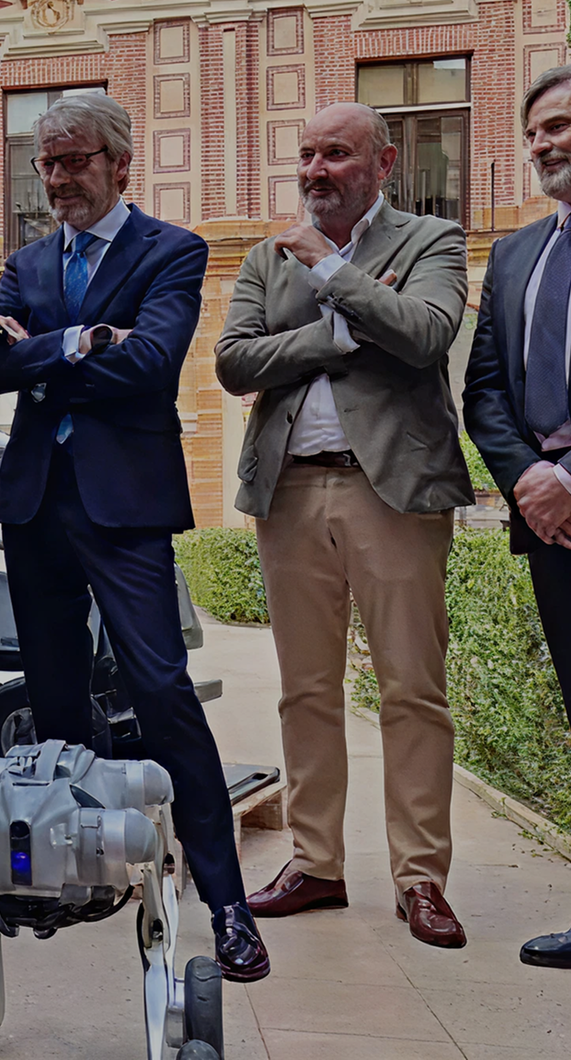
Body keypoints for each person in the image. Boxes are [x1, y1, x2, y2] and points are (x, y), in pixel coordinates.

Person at [0, 92, 267, 983]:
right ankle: (70, 876)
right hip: (34, 504)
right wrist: (85, 341)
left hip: (125, 506)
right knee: (56, 705)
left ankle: (228, 904)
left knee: (162, 691)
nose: (57, 180)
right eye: (46, 164)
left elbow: (153, 362)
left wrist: (44, 355)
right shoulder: (24, 262)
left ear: (120, 164)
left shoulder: (173, 251)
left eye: (74, 161)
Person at [215, 103, 471, 949]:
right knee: (306, 691)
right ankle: (316, 863)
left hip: (393, 492)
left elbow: (424, 335)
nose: (315, 170)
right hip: (290, 493)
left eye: (336, 153)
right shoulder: (267, 255)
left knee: (412, 690)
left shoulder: (430, 241)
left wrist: (328, 269)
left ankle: (420, 878)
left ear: (383, 163)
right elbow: (234, 362)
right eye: (306, 154)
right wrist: (336, 337)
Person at [464, 63, 571, 970]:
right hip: (549, 523)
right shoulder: (514, 254)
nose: (544, 143)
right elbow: (486, 391)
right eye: (534, 131)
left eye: (561, 125)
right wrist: (532, 477)